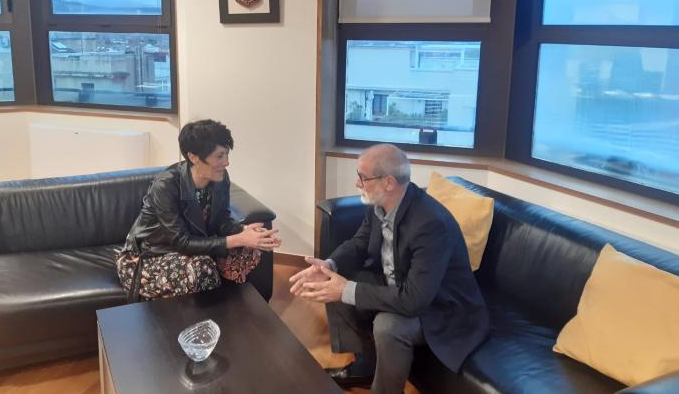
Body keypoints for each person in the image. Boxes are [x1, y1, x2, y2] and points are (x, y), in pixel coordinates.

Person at [290, 144, 489, 393]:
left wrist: (347, 290)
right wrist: (329, 264)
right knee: (331, 282)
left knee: (388, 325)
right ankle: (365, 364)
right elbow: (360, 242)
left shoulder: (430, 225)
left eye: (362, 177)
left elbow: (415, 300)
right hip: (397, 283)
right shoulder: (380, 204)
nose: (356, 183)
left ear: (389, 182)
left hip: (439, 307)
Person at [117, 119, 281, 300]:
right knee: (202, 267)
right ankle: (205, 322)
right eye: (219, 156)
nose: (226, 163)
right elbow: (181, 242)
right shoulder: (166, 186)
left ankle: (235, 313)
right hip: (148, 257)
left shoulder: (219, 178)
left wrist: (244, 231)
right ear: (194, 157)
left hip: (194, 250)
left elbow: (222, 221)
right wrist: (237, 238)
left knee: (250, 249)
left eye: (226, 154)